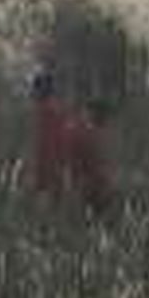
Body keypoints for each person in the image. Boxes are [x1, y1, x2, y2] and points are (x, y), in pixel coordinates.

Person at [30, 71, 73, 199]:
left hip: (50, 176)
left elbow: (46, 147)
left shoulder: (48, 113)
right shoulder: (57, 111)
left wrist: (40, 180)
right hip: (54, 174)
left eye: (37, 89)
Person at [69, 99, 115, 215]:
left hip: (89, 186)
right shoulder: (106, 136)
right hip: (103, 186)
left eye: (86, 111)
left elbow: (78, 159)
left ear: (92, 114)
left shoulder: (88, 134)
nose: (83, 114)